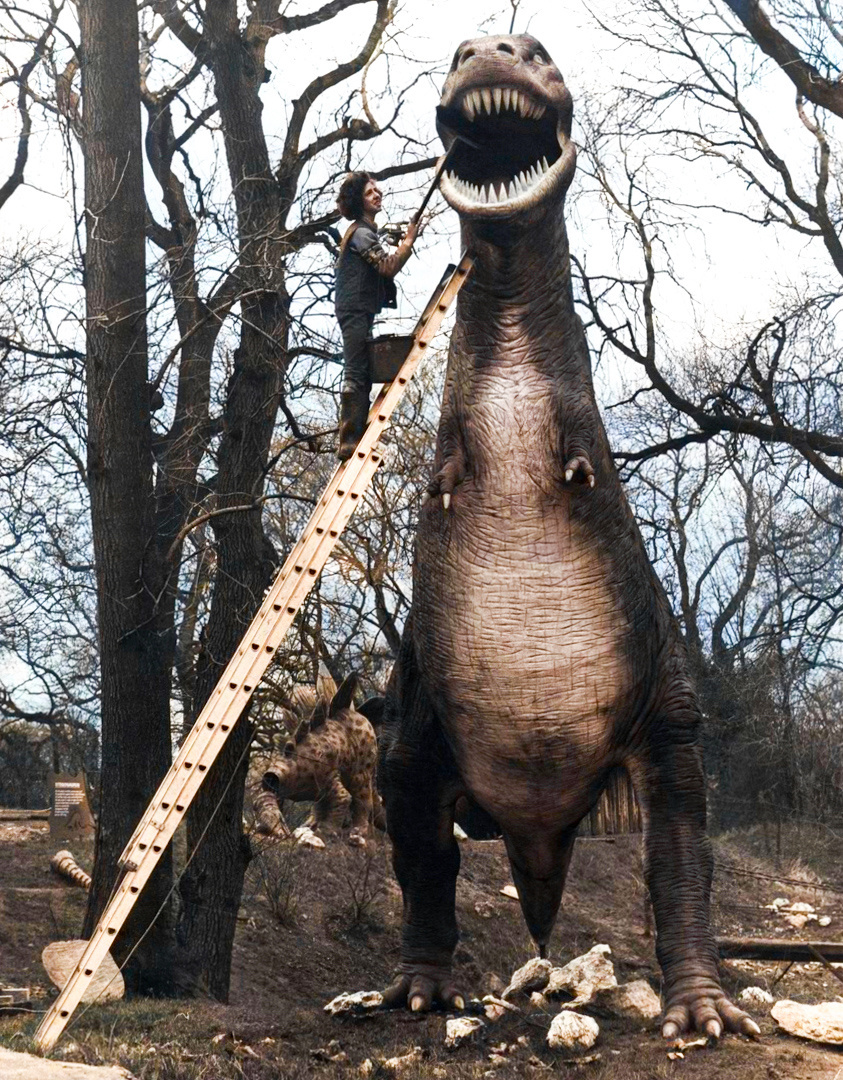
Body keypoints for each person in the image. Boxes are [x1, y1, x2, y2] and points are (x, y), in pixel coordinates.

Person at [334, 172, 418, 460]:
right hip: (355, 308)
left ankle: (356, 432)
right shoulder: (360, 233)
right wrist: (407, 242)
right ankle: (349, 441)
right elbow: (387, 267)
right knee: (356, 371)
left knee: (363, 369)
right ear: (359, 200)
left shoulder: (366, 232)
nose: (377, 194)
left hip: (360, 308)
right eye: (370, 192)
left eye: (377, 190)